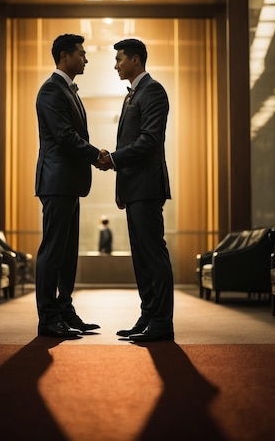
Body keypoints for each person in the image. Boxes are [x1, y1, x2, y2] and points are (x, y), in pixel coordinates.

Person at [97, 38, 174, 342]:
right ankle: (148, 316)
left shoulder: (152, 90)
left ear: (136, 60)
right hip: (133, 188)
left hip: (147, 187)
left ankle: (162, 324)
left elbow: (149, 140)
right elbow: (127, 143)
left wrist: (113, 160)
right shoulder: (132, 95)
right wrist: (120, 186)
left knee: (154, 255)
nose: (116, 65)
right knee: (141, 258)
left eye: (119, 59)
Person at [35, 33, 102, 339]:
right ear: (65, 56)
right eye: (81, 53)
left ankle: (64, 309)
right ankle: (48, 318)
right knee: (53, 251)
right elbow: (64, 135)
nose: (86, 58)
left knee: (67, 251)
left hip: (69, 183)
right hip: (57, 181)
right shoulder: (51, 90)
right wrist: (95, 155)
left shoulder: (68, 90)